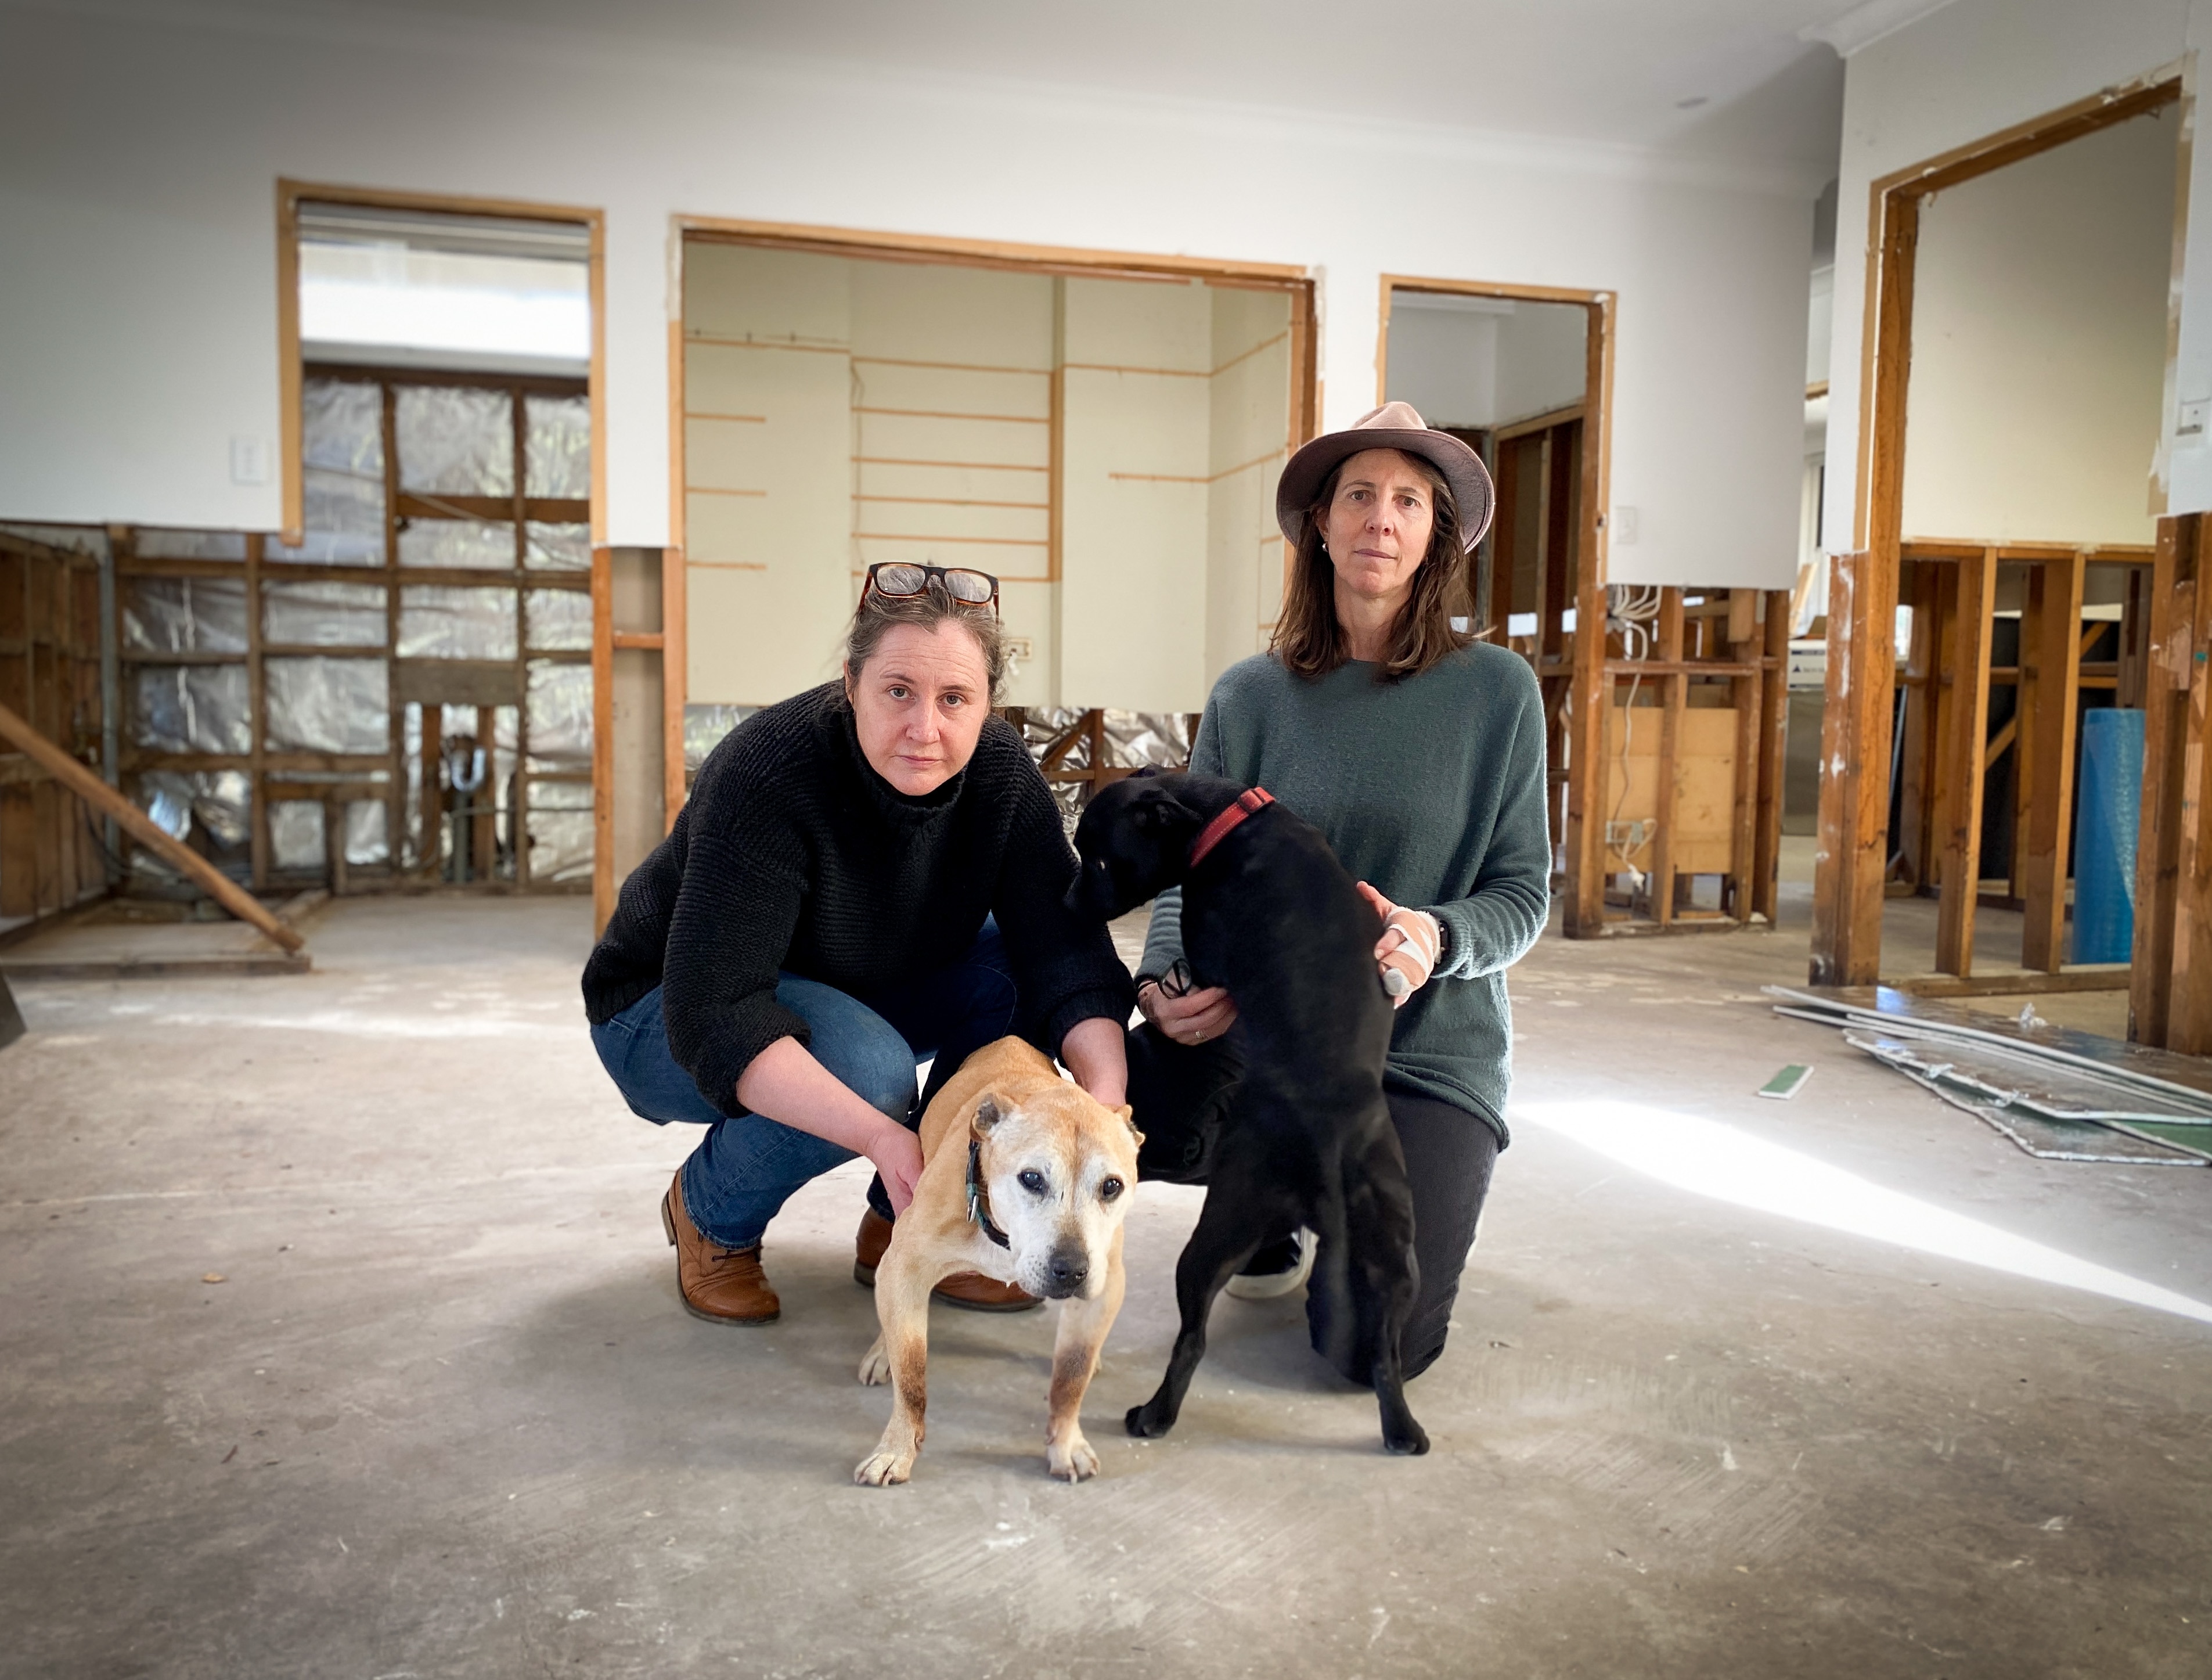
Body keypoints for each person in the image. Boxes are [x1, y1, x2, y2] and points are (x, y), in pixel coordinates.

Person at [582, 564, 1136, 1325]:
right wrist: (882, 1135)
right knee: (871, 1074)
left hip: (850, 983)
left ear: (987, 703)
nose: (925, 728)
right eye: (898, 691)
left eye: (954, 699)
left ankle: (903, 1225)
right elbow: (716, 1011)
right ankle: (711, 1216)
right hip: (661, 1012)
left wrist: (1106, 1104)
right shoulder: (770, 770)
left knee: (1021, 974)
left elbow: (1066, 950)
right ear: (851, 683)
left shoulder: (1000, 773)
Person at [1129, 400, 1550, 1382]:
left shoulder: (1497, 693)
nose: (1380, 519)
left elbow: (1521, 891)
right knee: (1133, 1089)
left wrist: (1434, 935)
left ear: (1435, 532)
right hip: (1271, 1038)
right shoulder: (1250, 695)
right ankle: (1273, 1207)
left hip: (1424, 1052)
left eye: (1408, 500)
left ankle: (1325, 1202)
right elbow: (1186, 872)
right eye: (1359, 494)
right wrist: (1161, 980)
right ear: (1319, 521)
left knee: (1373, 1349)